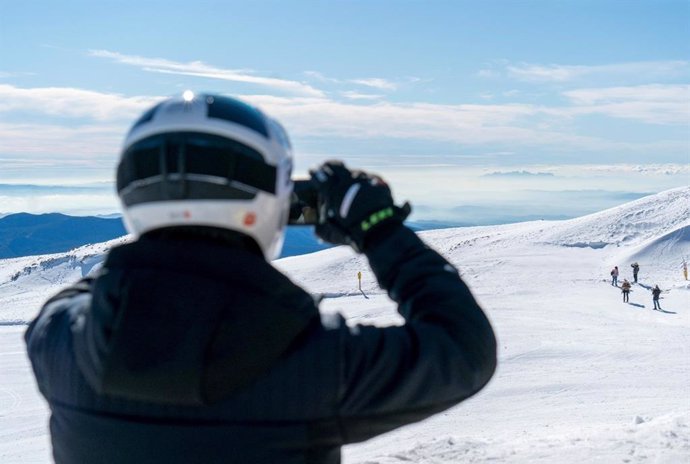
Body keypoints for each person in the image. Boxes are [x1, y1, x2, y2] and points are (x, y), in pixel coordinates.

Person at [24, 93, 497, 464]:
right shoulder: (313, 362)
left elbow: (95, 291)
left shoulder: (58, 341)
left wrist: (158, 246)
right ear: (271, 198)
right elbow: (462, 349)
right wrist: (378, 230)